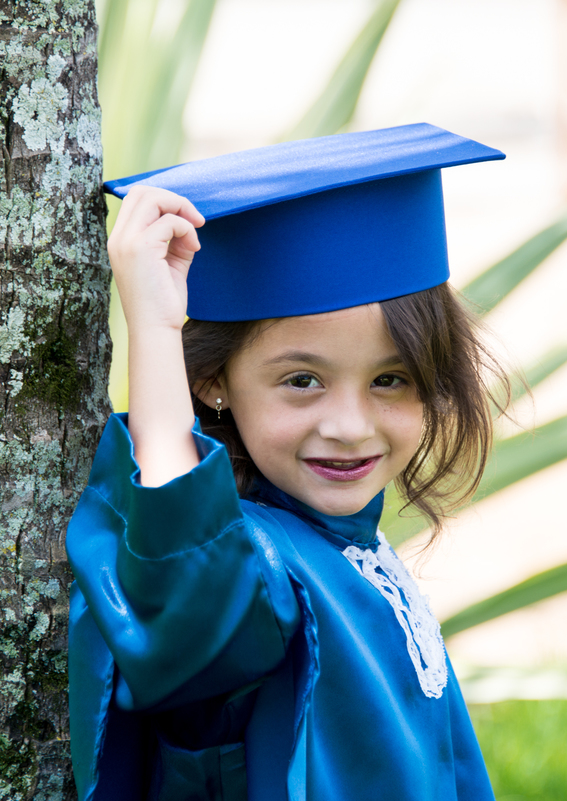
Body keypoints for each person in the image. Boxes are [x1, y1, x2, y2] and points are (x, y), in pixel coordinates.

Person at [67, 123, 509, 801]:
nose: (350, 425)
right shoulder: (263, 566)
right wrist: (155, 331)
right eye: (302, 380)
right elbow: (184, 590)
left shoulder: (353, 549)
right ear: (213, 379)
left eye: (391, 379)